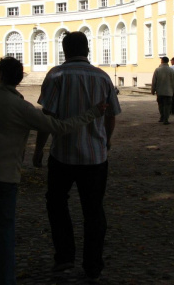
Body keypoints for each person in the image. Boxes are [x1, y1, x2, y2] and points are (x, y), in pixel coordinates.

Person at [0, 56, 107, 285]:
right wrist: (92, 113)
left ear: (0, 75)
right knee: (5, 227)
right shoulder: (21, 107)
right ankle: (5, 279)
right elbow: (59, 127)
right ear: (20, 79)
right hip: (4, 175)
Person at [33, 31, 121, 280]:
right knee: (94, 210)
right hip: (95, 157)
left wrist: (39, 148)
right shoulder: (102, 77)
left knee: (57, 204)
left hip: (62, 155)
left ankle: (64, 257)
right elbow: (111, 115)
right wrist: (107, 140)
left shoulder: (56, 75)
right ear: (88, 50)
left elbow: (47, 117)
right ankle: (93, 265)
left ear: (65, 51)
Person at [151, 56, 174, 125]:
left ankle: (162, 116)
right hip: (169, 91)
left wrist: (153, 90)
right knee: (167, 106)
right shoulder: (171, 70)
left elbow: (154, 81)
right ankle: (166, 119)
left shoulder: (157, 70)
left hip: (160, 91)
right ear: (168, 62)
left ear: (161, 61)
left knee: (160, 104)